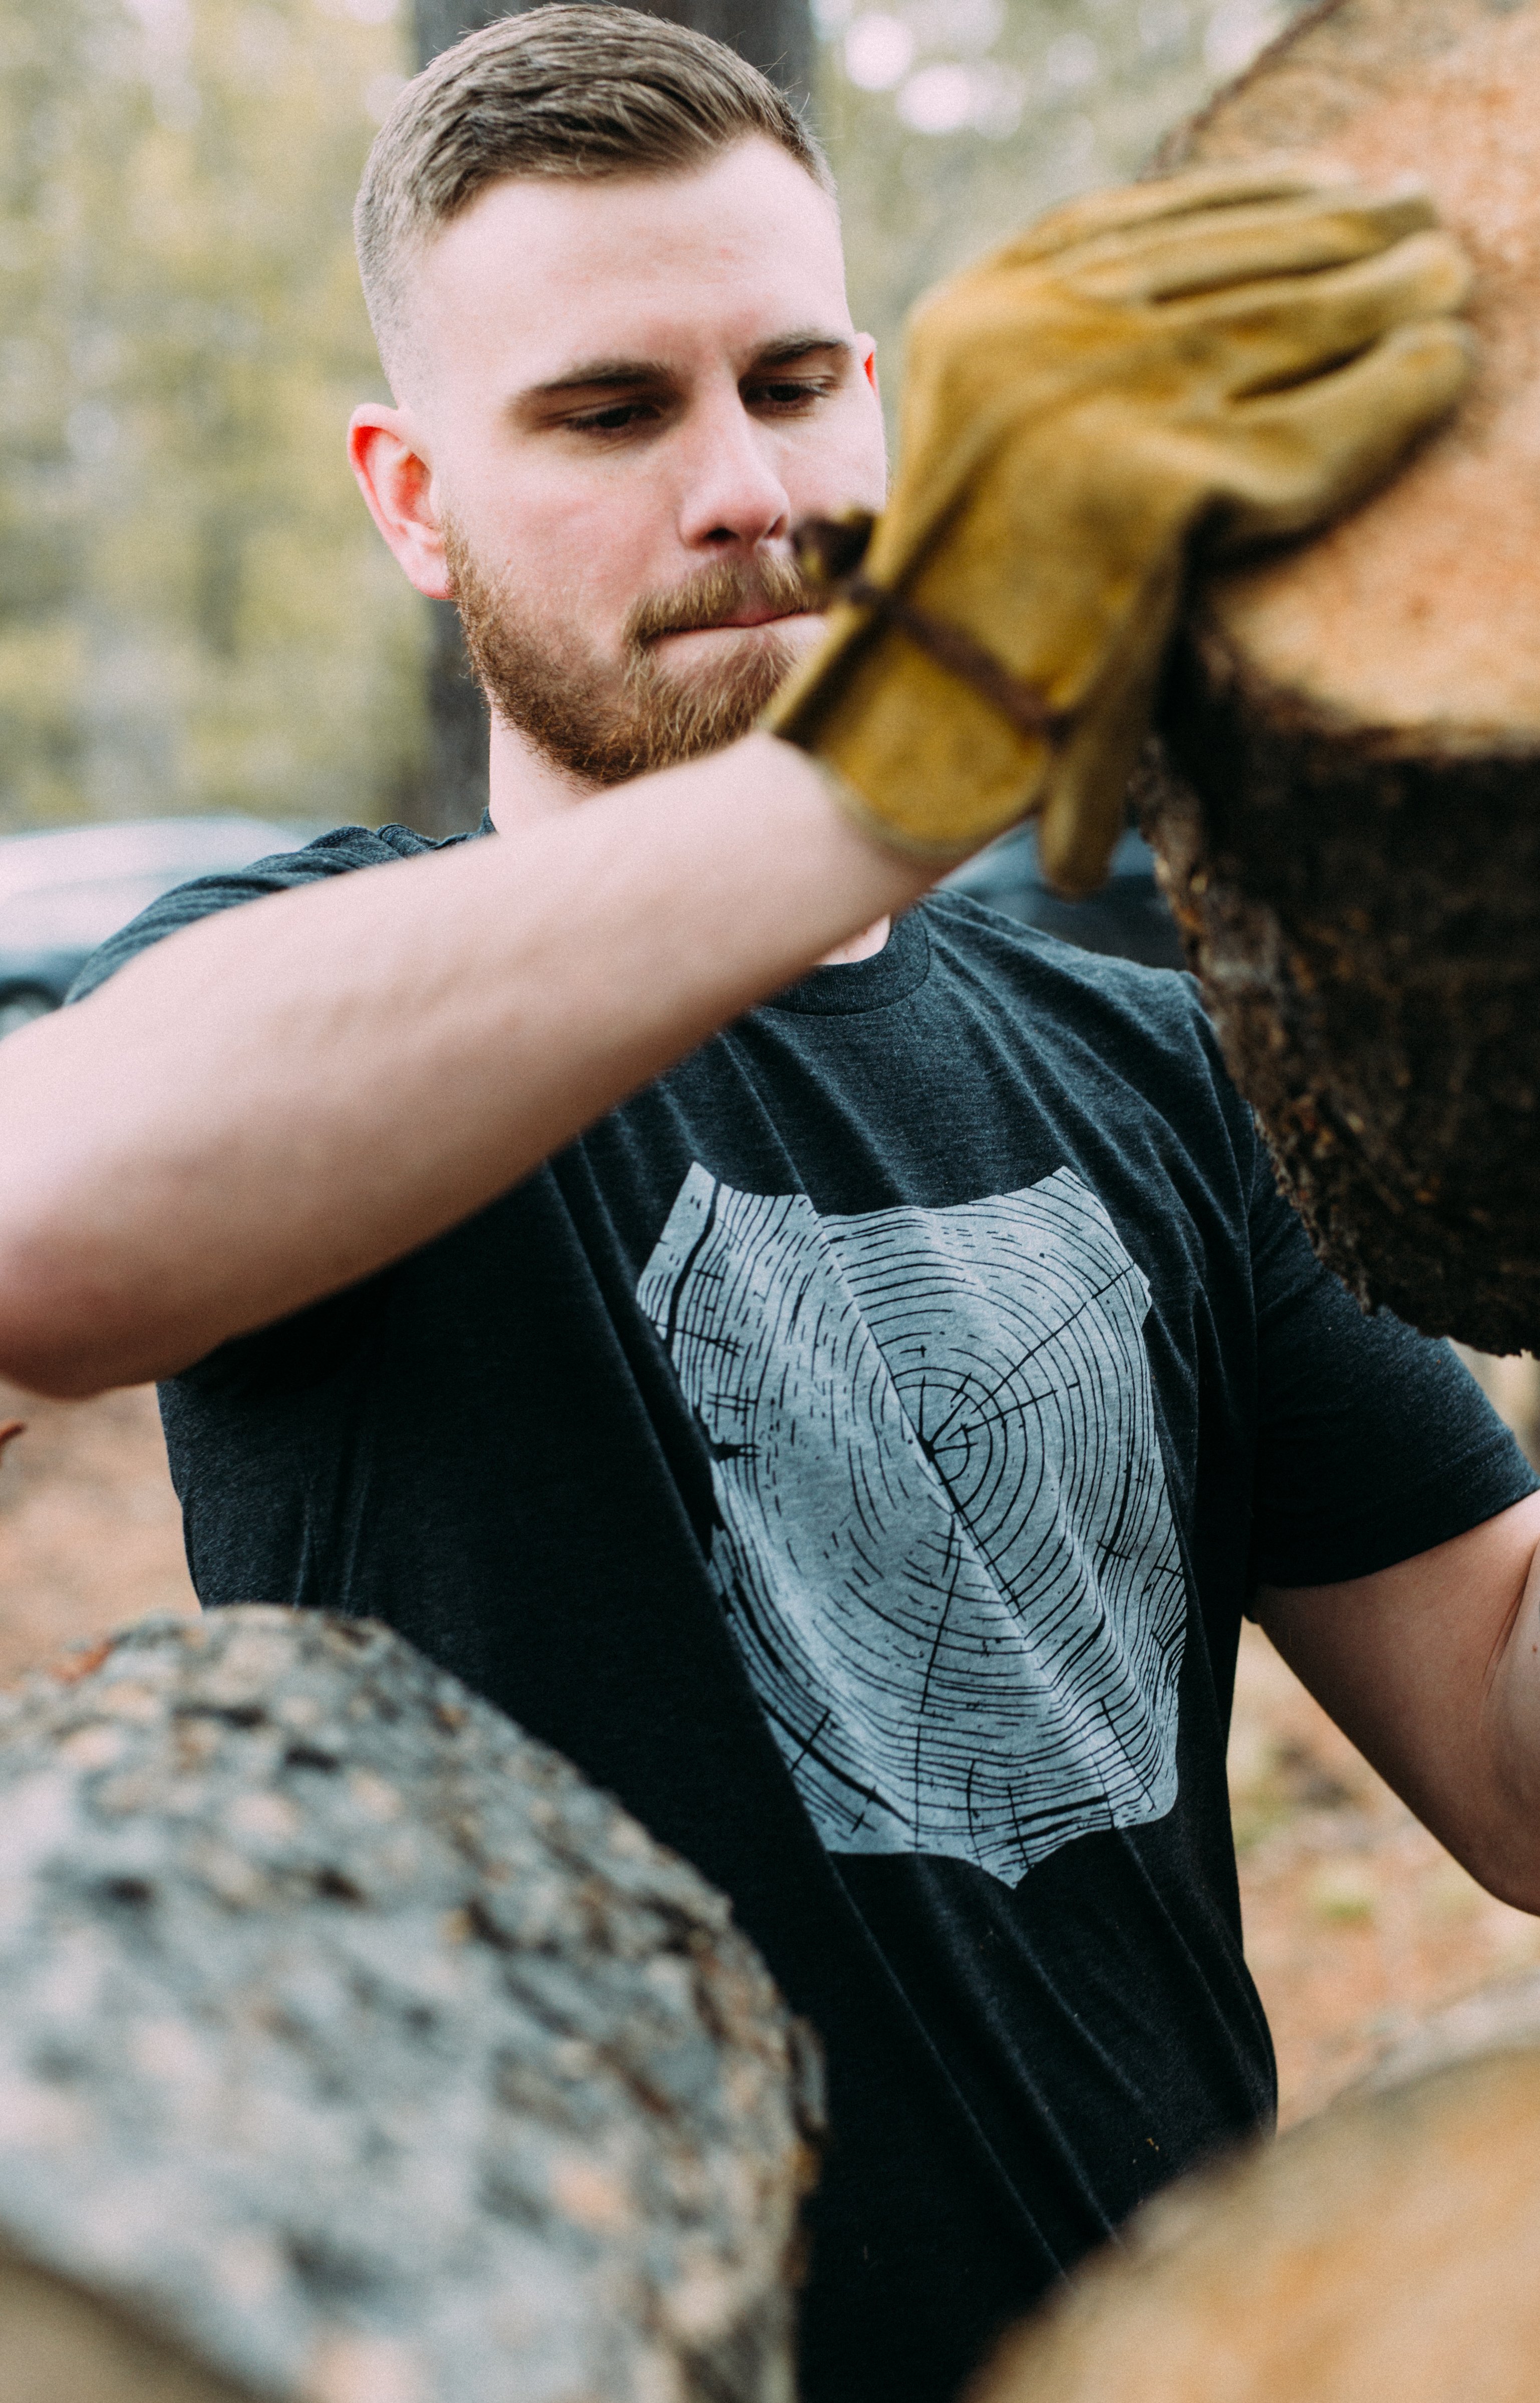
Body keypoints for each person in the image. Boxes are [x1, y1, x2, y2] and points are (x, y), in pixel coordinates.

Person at [1, 12, 1535, 2399]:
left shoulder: (1157, 1064)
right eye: (611, 413)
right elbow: (45, 1216)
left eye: (802, 381)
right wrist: (895, 764)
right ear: (411, 499)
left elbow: (1512, 1753)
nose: (745, 487)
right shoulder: (307, 996)